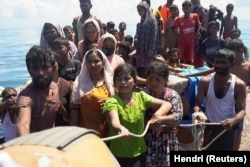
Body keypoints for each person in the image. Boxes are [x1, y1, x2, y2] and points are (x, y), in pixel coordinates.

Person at [103, 63, 172, 167]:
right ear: (114, 82)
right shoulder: (112, 101)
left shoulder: (141, 97)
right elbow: (114, 123)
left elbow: (167, 104)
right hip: (119, 154)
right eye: (119, 79)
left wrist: (158, 116)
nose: (123, 82)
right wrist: (121, 129)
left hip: (140, 152)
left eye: (127, 79)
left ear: (134, 81)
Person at [194, 49, 246, 150]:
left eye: (223, 62)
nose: (218, 65)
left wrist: (234, 120)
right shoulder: (205, 81)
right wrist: (197, 114)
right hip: (209, 125)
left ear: (232, 64)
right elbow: (198, 103)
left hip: (228, 128)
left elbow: (243, 111)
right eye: (217, 62)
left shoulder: (239, 85)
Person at [144, 61, 183, 166]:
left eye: (157, 79)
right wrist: (150, 124)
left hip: (167, 140)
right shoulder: (144, 94)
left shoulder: (172, 95)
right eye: (150, 79)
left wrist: (161, 120)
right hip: (148, 140)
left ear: (165, 80)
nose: (153, 83)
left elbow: (178, 115)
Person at [70, 49, 115, 138]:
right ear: (85, 64)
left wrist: (110, 103)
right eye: (89, 62)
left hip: (110, 133)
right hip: (87, 134)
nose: (92, 65)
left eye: (96, 61)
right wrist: (72, 135)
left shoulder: (112, 83)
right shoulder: (79, 84)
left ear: (103, 62)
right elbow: (74, 112)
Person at [16, 46, 60, 136]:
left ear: (53, 68)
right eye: (35, 68)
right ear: (29, 71)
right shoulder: (26, 97)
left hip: (52, 140)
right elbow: (23, 124)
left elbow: (56, 103)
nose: (40, 73)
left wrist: (67, 115)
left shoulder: (54, 87)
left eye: (45, 67)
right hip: (34, 145)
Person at [171, 0, 201, 65]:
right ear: (182, 9)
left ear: (190, 8)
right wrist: (178, 34)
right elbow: (173, 27)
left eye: (187, 8)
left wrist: (196, 34)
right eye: (184, 8)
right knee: (181, 60)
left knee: (189, 60)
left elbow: (199, 25)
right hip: (182, 42)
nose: (186, 10)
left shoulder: (194, 16)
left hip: (191, 42)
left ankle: (188, 74)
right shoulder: (179, 18)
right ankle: (181, 73)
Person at [135, 1, 159, 78]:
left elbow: (154, 35)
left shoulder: (152, 20)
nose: (139, 12)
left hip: (148, 48)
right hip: (141, 48)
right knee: (141, 67)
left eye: (141, 10)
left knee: (148, 67)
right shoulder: (142, 20)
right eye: (138, 10)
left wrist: (151, 49)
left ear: (146, 9)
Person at [52, 60, 72, 126]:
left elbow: (72, 116)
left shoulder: (67, 85)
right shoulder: (40, 86)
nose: (53, 65)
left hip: (64, 130)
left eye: (53, 62)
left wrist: (62, 110)